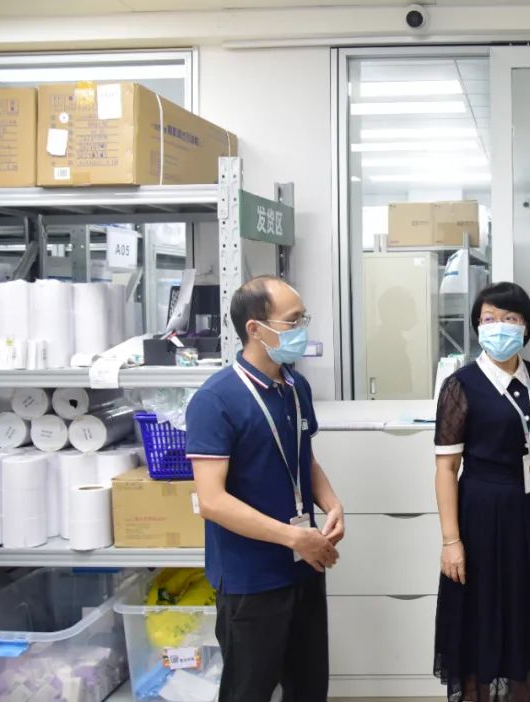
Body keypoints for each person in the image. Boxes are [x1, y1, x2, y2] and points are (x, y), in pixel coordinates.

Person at [187, 276, 346, 702]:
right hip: (251, 578)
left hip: (304, 565)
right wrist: (293, 536)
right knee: (249, 690)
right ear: (255, 328)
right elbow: (212, 501)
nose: (301, 330)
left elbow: (304, 459)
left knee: (308, 686)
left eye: (303, 319)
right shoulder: (215, 399)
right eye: (292, 321)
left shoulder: (295, 387)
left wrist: (331, 503)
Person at [433, 282, 530, 702]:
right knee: (484, 610)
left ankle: (522, 693)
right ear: (478, 327)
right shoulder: (461, 385)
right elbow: (446, 468)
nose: (499, 326)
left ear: (526, 327)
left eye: (510, 318)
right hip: (481, 512)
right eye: (489, 319)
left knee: (529, 607)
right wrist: (451, 541)